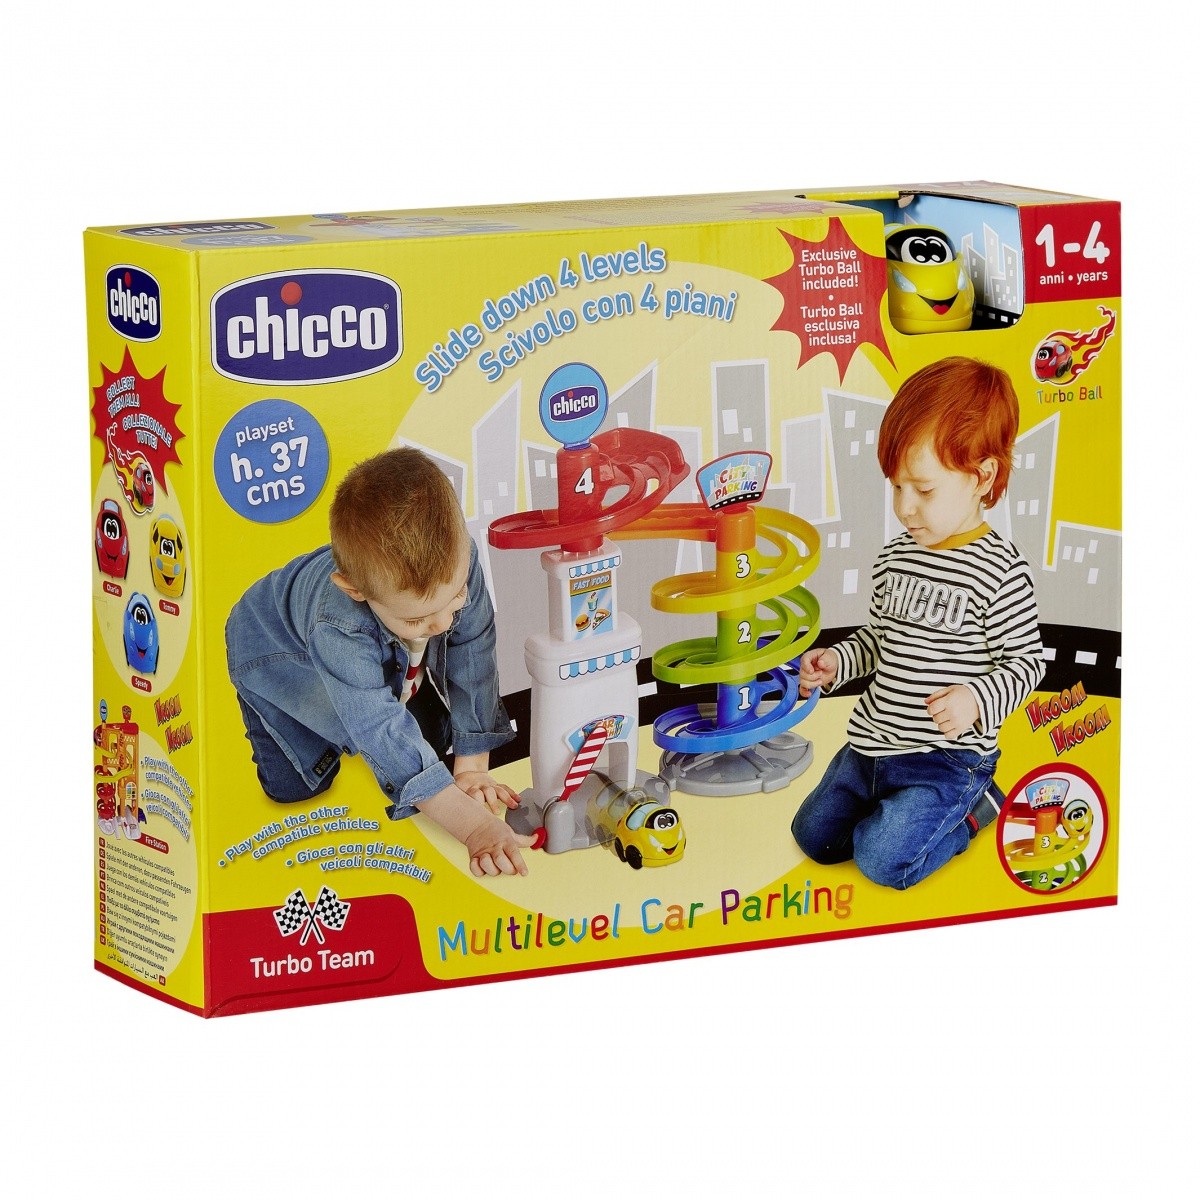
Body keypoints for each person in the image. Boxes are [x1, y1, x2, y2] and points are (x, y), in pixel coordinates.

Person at [792, 357, 1044, 889]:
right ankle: (893, 812)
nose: (905, 508)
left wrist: (975, 698)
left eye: (924, 490)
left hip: (945, 760)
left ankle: (973, 811)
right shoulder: (895, 558)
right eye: (896, 487)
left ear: (982, 477)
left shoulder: (1000, 571)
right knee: (814, 837)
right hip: (871, 747)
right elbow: (879, 640)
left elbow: (1027, 663)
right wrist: (837, 661)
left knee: (881, 862)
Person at [226, 447, 532, 878]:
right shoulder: (338, 627)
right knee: (297, 785)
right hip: (274, 654)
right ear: (355, 590)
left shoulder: (457, 561)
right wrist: (475, 827)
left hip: (373, 646)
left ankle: (397, 667)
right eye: (417, 619)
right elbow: (378, 725)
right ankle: (287, 729)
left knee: (432, 743)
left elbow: (473, 651)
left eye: (456, 597)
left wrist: (472, 768)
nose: (444, 623)